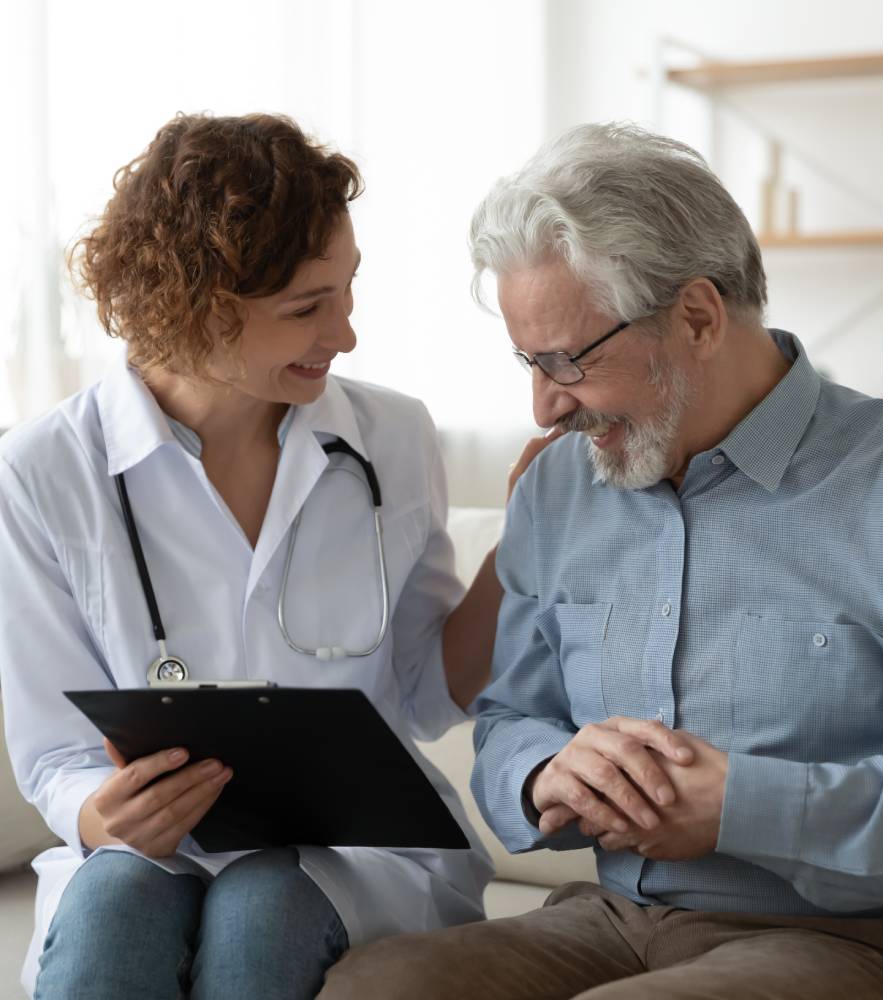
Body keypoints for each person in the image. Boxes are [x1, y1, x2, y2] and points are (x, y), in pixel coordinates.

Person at [320, 122, 883, 999]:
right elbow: (508, 724)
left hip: (862, 941)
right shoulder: (559, 491)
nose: (541, 407)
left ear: (697, 317)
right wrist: (544, 775)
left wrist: (747, 808)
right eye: (529, 362)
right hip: (612, 921)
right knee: (376, 987)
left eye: (566, 361)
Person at [0, 113, 552, 999]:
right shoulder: (43, 471)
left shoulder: (390, 437)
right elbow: (56, 757)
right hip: (153, 854)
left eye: (348, 291)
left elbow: (425, 692)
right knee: (116, 913)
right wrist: (102, 816)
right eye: (307, 308)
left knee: (262, 909)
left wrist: (522, 544)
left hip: (359, 852)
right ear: (198, 305)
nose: (345, 334)